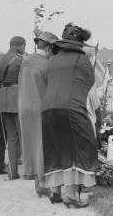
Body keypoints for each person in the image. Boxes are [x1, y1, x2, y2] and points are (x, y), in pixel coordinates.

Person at [41, 23, 97, 208]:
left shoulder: (53, 60)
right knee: (76, 146)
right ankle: (71, 195)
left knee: (55, 145)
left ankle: (55, 191)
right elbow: (89, 83)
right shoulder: (81, 61)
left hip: (48, 108)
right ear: (80, 44)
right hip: (70, 108)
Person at [18, 32, 58, 196]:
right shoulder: (47, 64)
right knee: (42, 143)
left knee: (30, 143)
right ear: (49, 47)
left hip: (24, 106)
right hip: (40, 106)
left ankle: (35, 179)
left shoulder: (25, 61)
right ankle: (42, 182)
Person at [0, 36, 26, 180]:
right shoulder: (20, 60)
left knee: (11, 137)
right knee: (23, 135)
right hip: (17, 96)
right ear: (20, 46)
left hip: (3, 97)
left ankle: (13, 172)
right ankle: (28, 170)